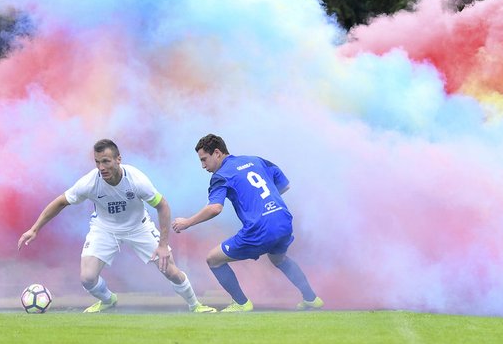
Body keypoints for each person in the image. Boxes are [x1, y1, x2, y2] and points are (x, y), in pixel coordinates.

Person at [18, 139, 215, 313]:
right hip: (104, 229)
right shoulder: (89, 182)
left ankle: (195, 305)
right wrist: (34, 229)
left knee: (170, 270)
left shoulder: (136, 180)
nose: (101, 167)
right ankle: (108, 300)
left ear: (118, 159)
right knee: (87, 278)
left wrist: (163, 245)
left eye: (106, 161)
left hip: (139, 227)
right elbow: (61, 201)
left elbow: (162, 206)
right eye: (97, 162)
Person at [172, 134, 322, 312]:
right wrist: (263, 205)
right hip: (283, 219)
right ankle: (311, 298)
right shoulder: (255, 160)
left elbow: (215, 208)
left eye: (204, 160)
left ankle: (242, 304)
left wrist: (187, 222)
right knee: (278, 258)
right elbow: (284, 185)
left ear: (217, 153)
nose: (203, 166)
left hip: (261, 228)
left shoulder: (221, 175)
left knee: (213, 259)